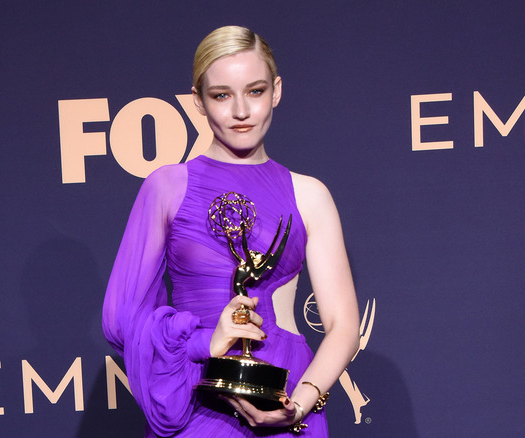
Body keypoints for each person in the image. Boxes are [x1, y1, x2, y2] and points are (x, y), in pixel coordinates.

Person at [103, 25, 360, 437]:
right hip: (198, 401)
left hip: (287, 398)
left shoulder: (308, 194)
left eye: (255, 91)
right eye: (221, 95)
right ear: (198, 102)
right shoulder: (167, 187)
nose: (241, 111)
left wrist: (301, 403)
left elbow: (344, 324)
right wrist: (204, 342)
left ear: (276, 91)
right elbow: (122, 319)